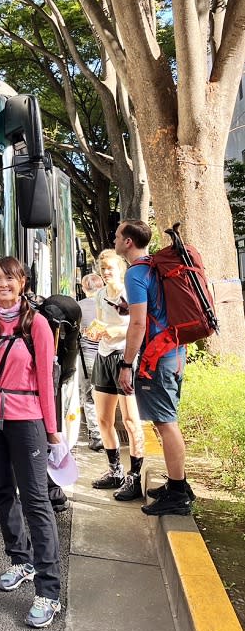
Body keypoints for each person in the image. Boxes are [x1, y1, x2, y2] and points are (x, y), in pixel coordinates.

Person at [0, 256, 63, 629]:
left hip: (27, 419)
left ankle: (49, 591)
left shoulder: (36, 323)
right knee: (2, 491)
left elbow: (47, 382)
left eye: (9, 278)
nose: (2, 284)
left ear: (22, 282)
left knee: (36, 500)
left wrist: (52, 431)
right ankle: (20, 561)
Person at [114, 220, 193, 516]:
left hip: (158, 356)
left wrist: (126, 364)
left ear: (129, 242)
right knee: (167, 419)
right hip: (174, 351)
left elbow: (138, 323)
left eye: (118, 235)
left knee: (166, 422)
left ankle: (178, 493)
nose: (115, 238)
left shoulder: (136, 271)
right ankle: (179, 486)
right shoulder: (154, 267)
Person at [89, 250, 145, 501]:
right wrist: (97, 331)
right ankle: (115, 471)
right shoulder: (100, 294)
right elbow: (101, 323)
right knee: (103, 419)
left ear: (120, 269)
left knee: (132, 421)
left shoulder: (130, 292)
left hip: (125, 358)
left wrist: (114, 331)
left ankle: (135, 478)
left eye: (110, 268)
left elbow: (138, 325)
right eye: (103, 268)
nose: (106, 272)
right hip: (103, 357)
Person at [77, 272, 105, 451]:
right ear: (101, 287)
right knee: (106, 396)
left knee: (88, 397)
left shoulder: (77, 307)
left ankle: (96, 436)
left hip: (87, 357)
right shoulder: (109, 306)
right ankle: (108, 432)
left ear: (83, 288)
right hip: (107, 356)